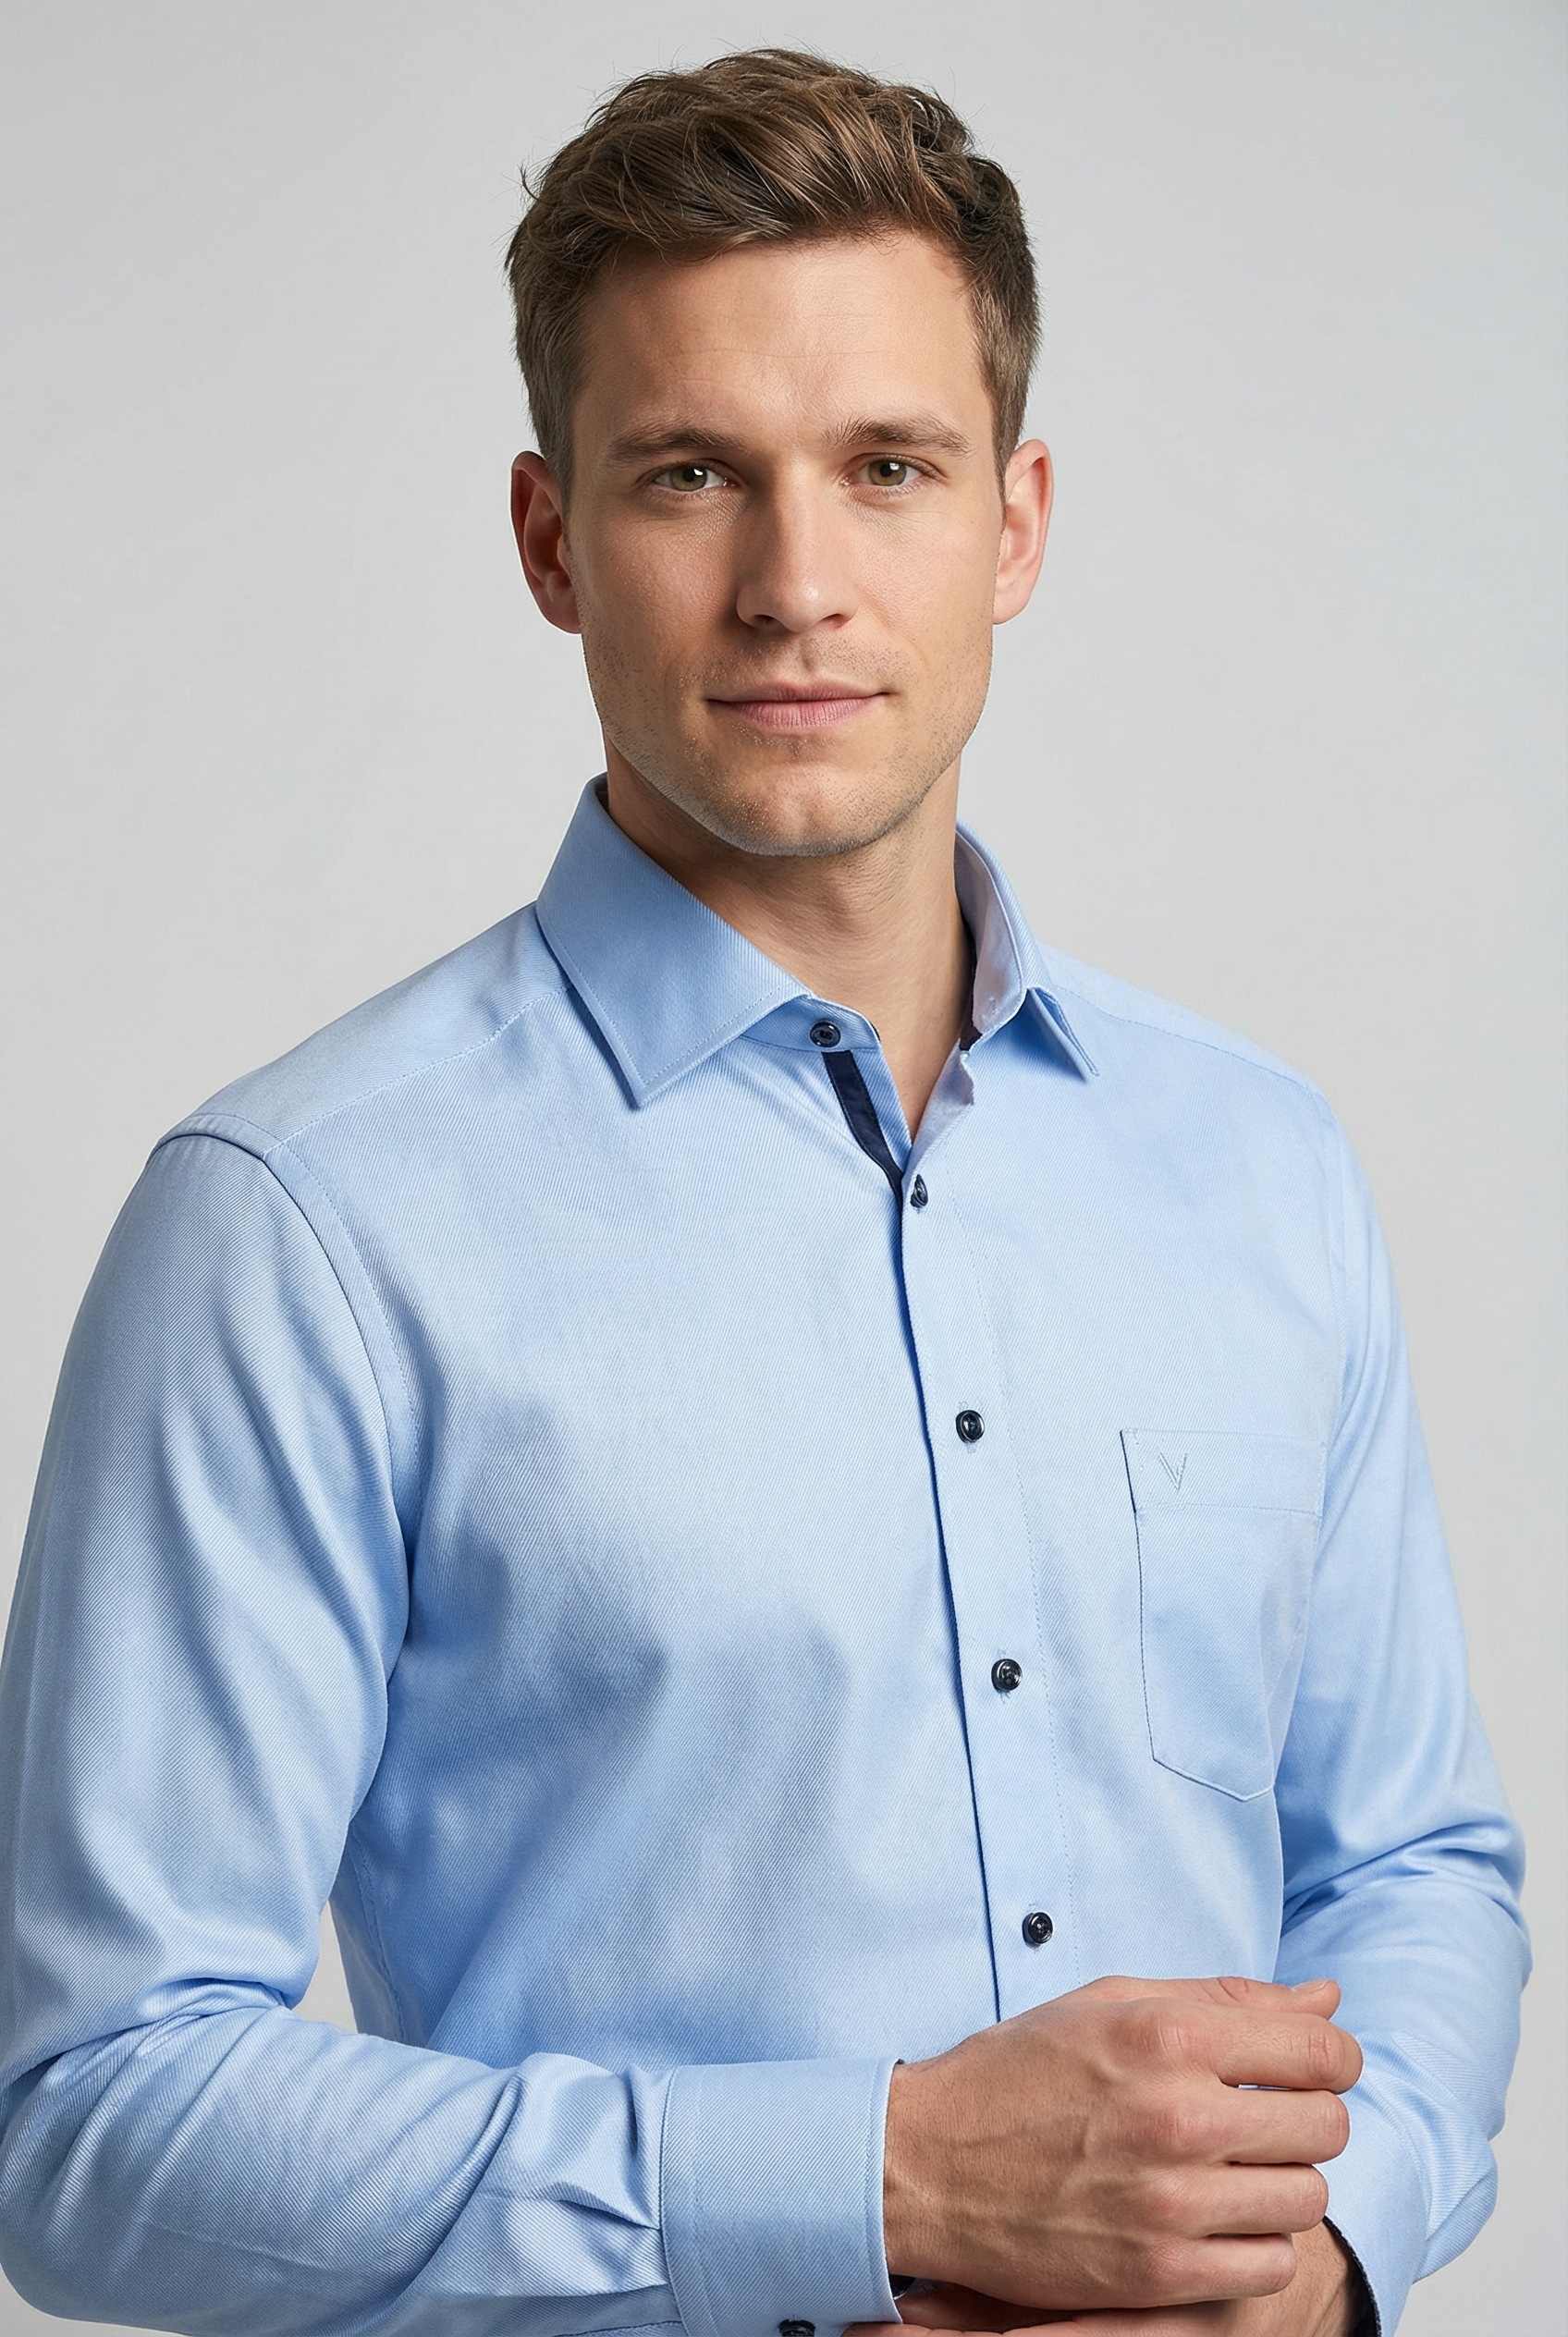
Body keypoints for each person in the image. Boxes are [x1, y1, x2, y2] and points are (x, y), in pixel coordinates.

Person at [0, 47, 1525, 2337]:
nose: (793, 585)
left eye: (885, 467)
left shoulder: (1257, 1164)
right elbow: (91, 2108)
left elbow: (1408, 1863)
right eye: (691, 474)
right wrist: (881, 2172)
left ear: (1011, 524)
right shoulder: (297, 1226)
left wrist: (1320, 2250)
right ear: (551, 541)